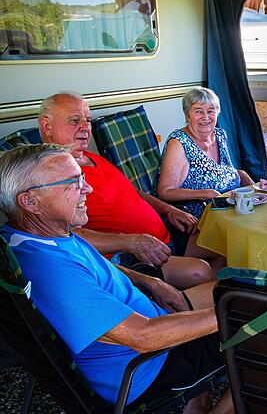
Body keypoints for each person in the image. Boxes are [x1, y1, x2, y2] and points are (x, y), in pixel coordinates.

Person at [0, 144, 233, 413]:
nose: (87, 189)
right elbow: (142, 337)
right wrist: (232, 314)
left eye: (82, 178)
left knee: (226, 289)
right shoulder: (50, 269)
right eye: (73, 182)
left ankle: (197, 401)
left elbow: (97, 269)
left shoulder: (43, 234)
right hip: (148, 366)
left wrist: (150, 282)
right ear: (30, 201)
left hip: (150, 320)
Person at [38, 92, 214, 289]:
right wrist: (132, 242)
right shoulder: (48, 174)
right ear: (47, 126)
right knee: (202, 271)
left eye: (87, 120)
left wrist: (169, 210)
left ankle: (222, 304)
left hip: (164, 234)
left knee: (222, 244)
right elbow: (65, 235)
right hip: (132, 256)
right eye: (74, 120)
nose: (85, 127)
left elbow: (134, 192)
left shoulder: (90, 157)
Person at [157, 87, 254, 220]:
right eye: (198, 111)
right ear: (187, 115)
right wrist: (203, 193)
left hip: (231, 209)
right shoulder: (179, 142)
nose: (206, 117)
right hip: (199, 217)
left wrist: (240, 174)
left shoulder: (220, 135)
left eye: (210, 111)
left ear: (217, 113)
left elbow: (220, 171)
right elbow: (165, 192)